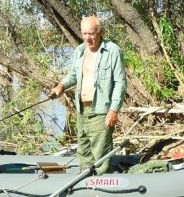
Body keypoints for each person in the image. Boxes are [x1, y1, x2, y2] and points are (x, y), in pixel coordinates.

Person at [50, 15, 127, 174]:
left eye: (91, 34)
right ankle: (85, 183)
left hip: (101, 110)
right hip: (82, 109)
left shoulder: (113, 50)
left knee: (100, 153)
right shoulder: (79, 50)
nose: (87, 38)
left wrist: (113, 110)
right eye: (84, 34)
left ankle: (102, 184)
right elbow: (73, 75)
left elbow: (120, 82)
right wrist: (61, 86)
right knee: (83, 149)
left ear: (100, 32)